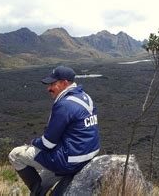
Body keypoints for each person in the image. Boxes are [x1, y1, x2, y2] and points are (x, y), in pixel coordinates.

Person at [9, 65, 100, 195]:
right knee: (45, 173)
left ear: (64, 83)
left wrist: (34, 142)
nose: (49, 88)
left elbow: (48, 143)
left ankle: (37, 192)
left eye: (52, 84)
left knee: (15, 155)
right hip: (88, 154)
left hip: (70, 161)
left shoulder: (64, 104)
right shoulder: (85, 96)